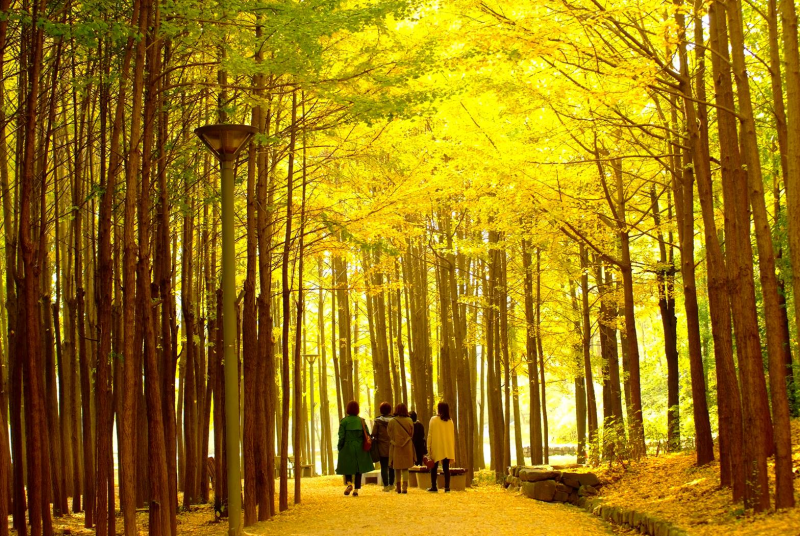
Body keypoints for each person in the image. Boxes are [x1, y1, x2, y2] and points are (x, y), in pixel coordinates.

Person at [336, 400, 375, 497]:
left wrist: (340, 447)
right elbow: (367, 434)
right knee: (358, 468)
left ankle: (349, 484)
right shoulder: (361, 421)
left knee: (347, 466)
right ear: (357, 409)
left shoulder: (344, 421)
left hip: (347, 446)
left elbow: (341, 436)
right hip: (359, 447)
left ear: (348, 409)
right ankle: (356, 490)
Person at [427, 401, 455, 493]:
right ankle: (447, 487)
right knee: (446, 468)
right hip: (447, 446)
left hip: (436, 446)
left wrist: (428, 447)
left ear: (439, 409)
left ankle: (434, 486)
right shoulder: (450, 421)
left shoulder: (433, 419)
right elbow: (452, 436)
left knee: (434, 467)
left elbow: (430, 435)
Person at [388, 403, 415, 494]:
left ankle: (398, 487)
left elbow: (389, 433)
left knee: (397, 467)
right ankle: (405, 487)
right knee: (405, 467)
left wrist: (395, 440)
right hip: (407, 446)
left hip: (396, 446)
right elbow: (412, 433)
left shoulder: (392, 421)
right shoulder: (409, 420)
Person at [372, 401, 394, 491]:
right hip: (392, 446)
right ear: (390, 410)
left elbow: (374, 433)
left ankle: (386, 486)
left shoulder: (378, 421)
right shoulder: (394, 420)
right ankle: (392, 484)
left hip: (381, 446)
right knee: (392, 466)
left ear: (381, 410)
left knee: (384, 466)